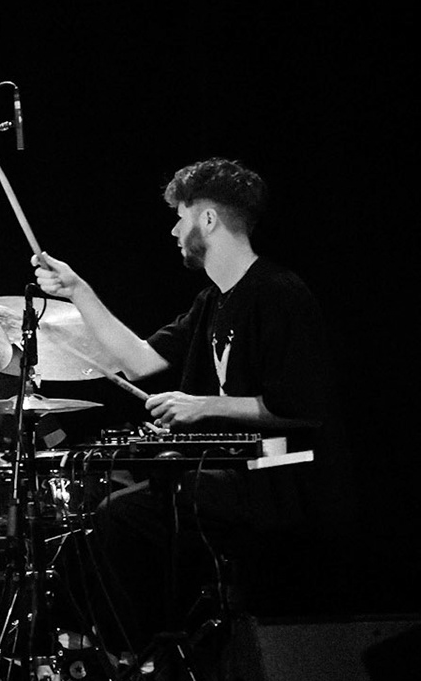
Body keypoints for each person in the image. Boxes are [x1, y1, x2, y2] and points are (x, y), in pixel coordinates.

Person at [33, 158, 347, 650]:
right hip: (243, 470)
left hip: (287, 468)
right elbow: (138, 361)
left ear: (208, 219)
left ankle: (143, 657)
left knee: (122, 517)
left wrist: (201, 407)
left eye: (180, 215)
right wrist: (79, 291)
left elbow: (301, 409)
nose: (174, 229)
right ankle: (146, 654)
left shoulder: (278, 292)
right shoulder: (211, 302)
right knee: (117, 505)